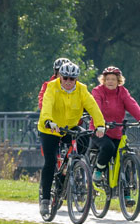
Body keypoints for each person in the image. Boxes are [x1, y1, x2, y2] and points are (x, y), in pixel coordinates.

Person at [37, 61, 107, 216]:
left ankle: (72, 165)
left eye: (72, 79)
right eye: (65, 78)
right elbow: (47, 104)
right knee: (50, 162)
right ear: (60, 77)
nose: (68, 82)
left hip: (69, 127)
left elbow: (93, 106)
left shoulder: (81, 89)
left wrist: (100, 125)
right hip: (51, 128)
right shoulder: (51, 87)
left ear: (76, 79)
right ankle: (46, 199)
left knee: (84, 139)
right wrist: (48, 121)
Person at [89, 66, 140, 188]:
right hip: (100, 130)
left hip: (117, 131)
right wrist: (100, 124)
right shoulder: (98, 91)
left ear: (119, 81)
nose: (110, 82)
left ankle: (126, 194)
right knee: (108, 147)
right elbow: (97, 108)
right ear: (104, 81)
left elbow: (131, 104)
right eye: (108, 79)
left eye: (113, 79)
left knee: (124, 157)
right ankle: (98, 170)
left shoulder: (122, 92)